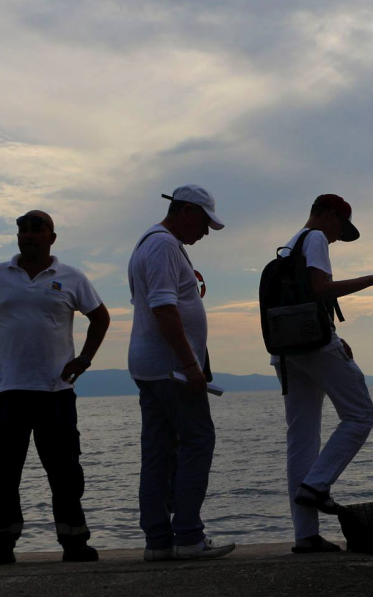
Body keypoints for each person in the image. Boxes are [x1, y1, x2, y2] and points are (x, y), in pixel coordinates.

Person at [0, 210, 110, 566]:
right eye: (23, 231)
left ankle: (74, 541)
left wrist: (84, 360)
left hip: (54, 390)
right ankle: (1, 544)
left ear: (51, 238)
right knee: (4, 470)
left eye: (36, 230)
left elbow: (100, 317)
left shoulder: (71, 277)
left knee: (64, 469)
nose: (28, 236)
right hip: (6, 390)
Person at [276, 194, 373, 554]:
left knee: (301, 439)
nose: (335, 238)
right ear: (329, 215)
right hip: (315, 347)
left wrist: (335, 332)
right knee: (361, 415)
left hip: (286, 350)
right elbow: (319, 289)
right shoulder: (314, 238)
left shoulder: (290, 244)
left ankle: (306, 535)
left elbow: (305, 299)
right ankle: (316, 486)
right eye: (339, 229)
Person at [127, 185, 234, 561]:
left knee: (158, 452)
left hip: (150, 367)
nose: (205, 232)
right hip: (172, 369)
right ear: (186, 211)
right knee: (197, 441)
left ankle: (158, 541)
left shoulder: (149, 243)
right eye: (204, 222)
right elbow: (163, 308)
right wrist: (190, 364)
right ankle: (187, 535)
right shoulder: (164, 246)